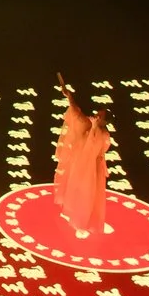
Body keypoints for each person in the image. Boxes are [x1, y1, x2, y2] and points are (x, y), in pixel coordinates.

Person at [53, 77, 111, 238]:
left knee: (87, 195)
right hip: (79, 164)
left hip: (91, 170)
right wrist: (69, 96)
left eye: (100, 116)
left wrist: (94, 127)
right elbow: (75, 113)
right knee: (74, 189)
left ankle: (83, 223)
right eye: (98, 113)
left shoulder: (103, 134)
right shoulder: (87, 124)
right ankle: (72, 214)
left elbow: (93, 148)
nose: (97, 116)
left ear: (104, 121)